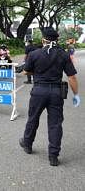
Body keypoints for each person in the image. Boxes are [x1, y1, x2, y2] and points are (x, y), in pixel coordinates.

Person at [19, 27, 80, 166]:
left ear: (43, 40)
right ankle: (53, 156)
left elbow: (26, 71)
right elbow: (72, 77)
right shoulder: (63, 55)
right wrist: (76, 94)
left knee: (33, 118)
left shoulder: (34, 54)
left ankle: (27, 144)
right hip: (56, 93)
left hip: (39, 91)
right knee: (55, 124)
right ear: (57, 40)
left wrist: (35, 71)